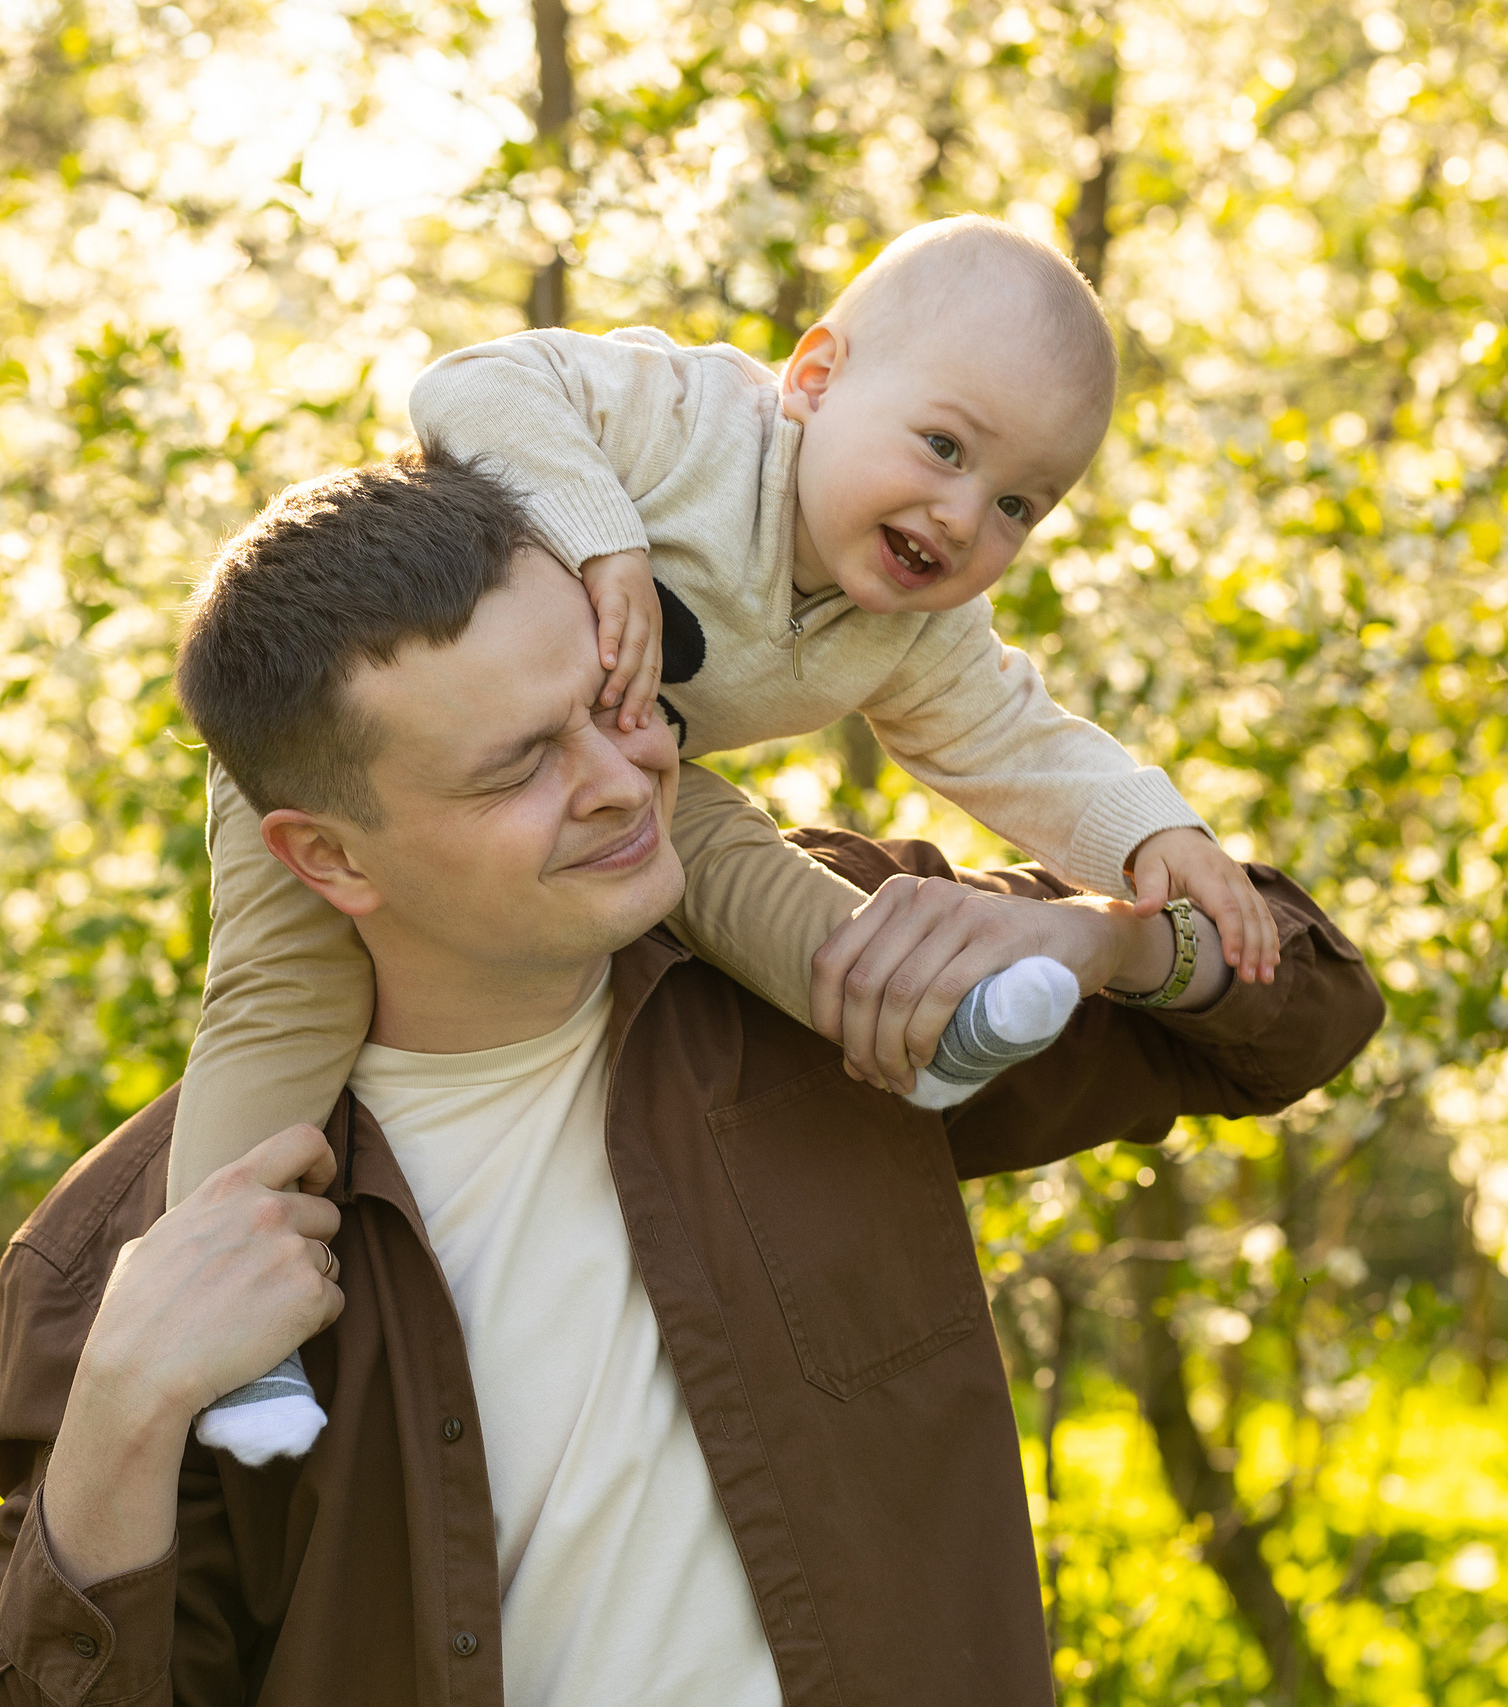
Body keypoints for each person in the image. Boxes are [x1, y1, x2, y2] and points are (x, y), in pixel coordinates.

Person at [0, 449, 1383, 1706]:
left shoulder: (824, 989)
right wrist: (123, 1410)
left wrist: (1099, 942)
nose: (623, 781)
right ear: (325, 855)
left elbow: (1310, 1004)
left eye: (613, 700)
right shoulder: (127, 1261)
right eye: (519, 768)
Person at [174, 216, 1279, 1441]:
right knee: (285, 1000)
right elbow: (471, 383)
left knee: (754, 880)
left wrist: (1147, 839)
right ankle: (228, 1337)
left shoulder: (910, 629)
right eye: (942, 445)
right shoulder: (698, 424)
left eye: (1019, 501)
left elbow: (1018, 742)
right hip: (367, 725)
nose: (963, 515)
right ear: (814, 379)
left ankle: (934, 1022)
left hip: (626, 764)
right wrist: (604, 537)